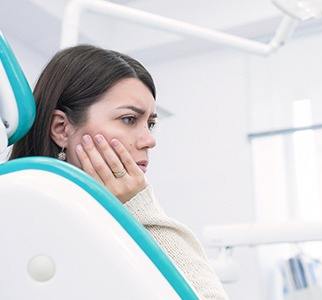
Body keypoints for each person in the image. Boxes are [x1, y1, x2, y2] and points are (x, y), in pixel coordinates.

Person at [9, 45, 228, 300]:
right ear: (61, 128)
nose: (149, 140)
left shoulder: (110, 225)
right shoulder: (21, 220)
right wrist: (140, 207)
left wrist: (139, 207)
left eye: (151, 123)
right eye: (128, 119)